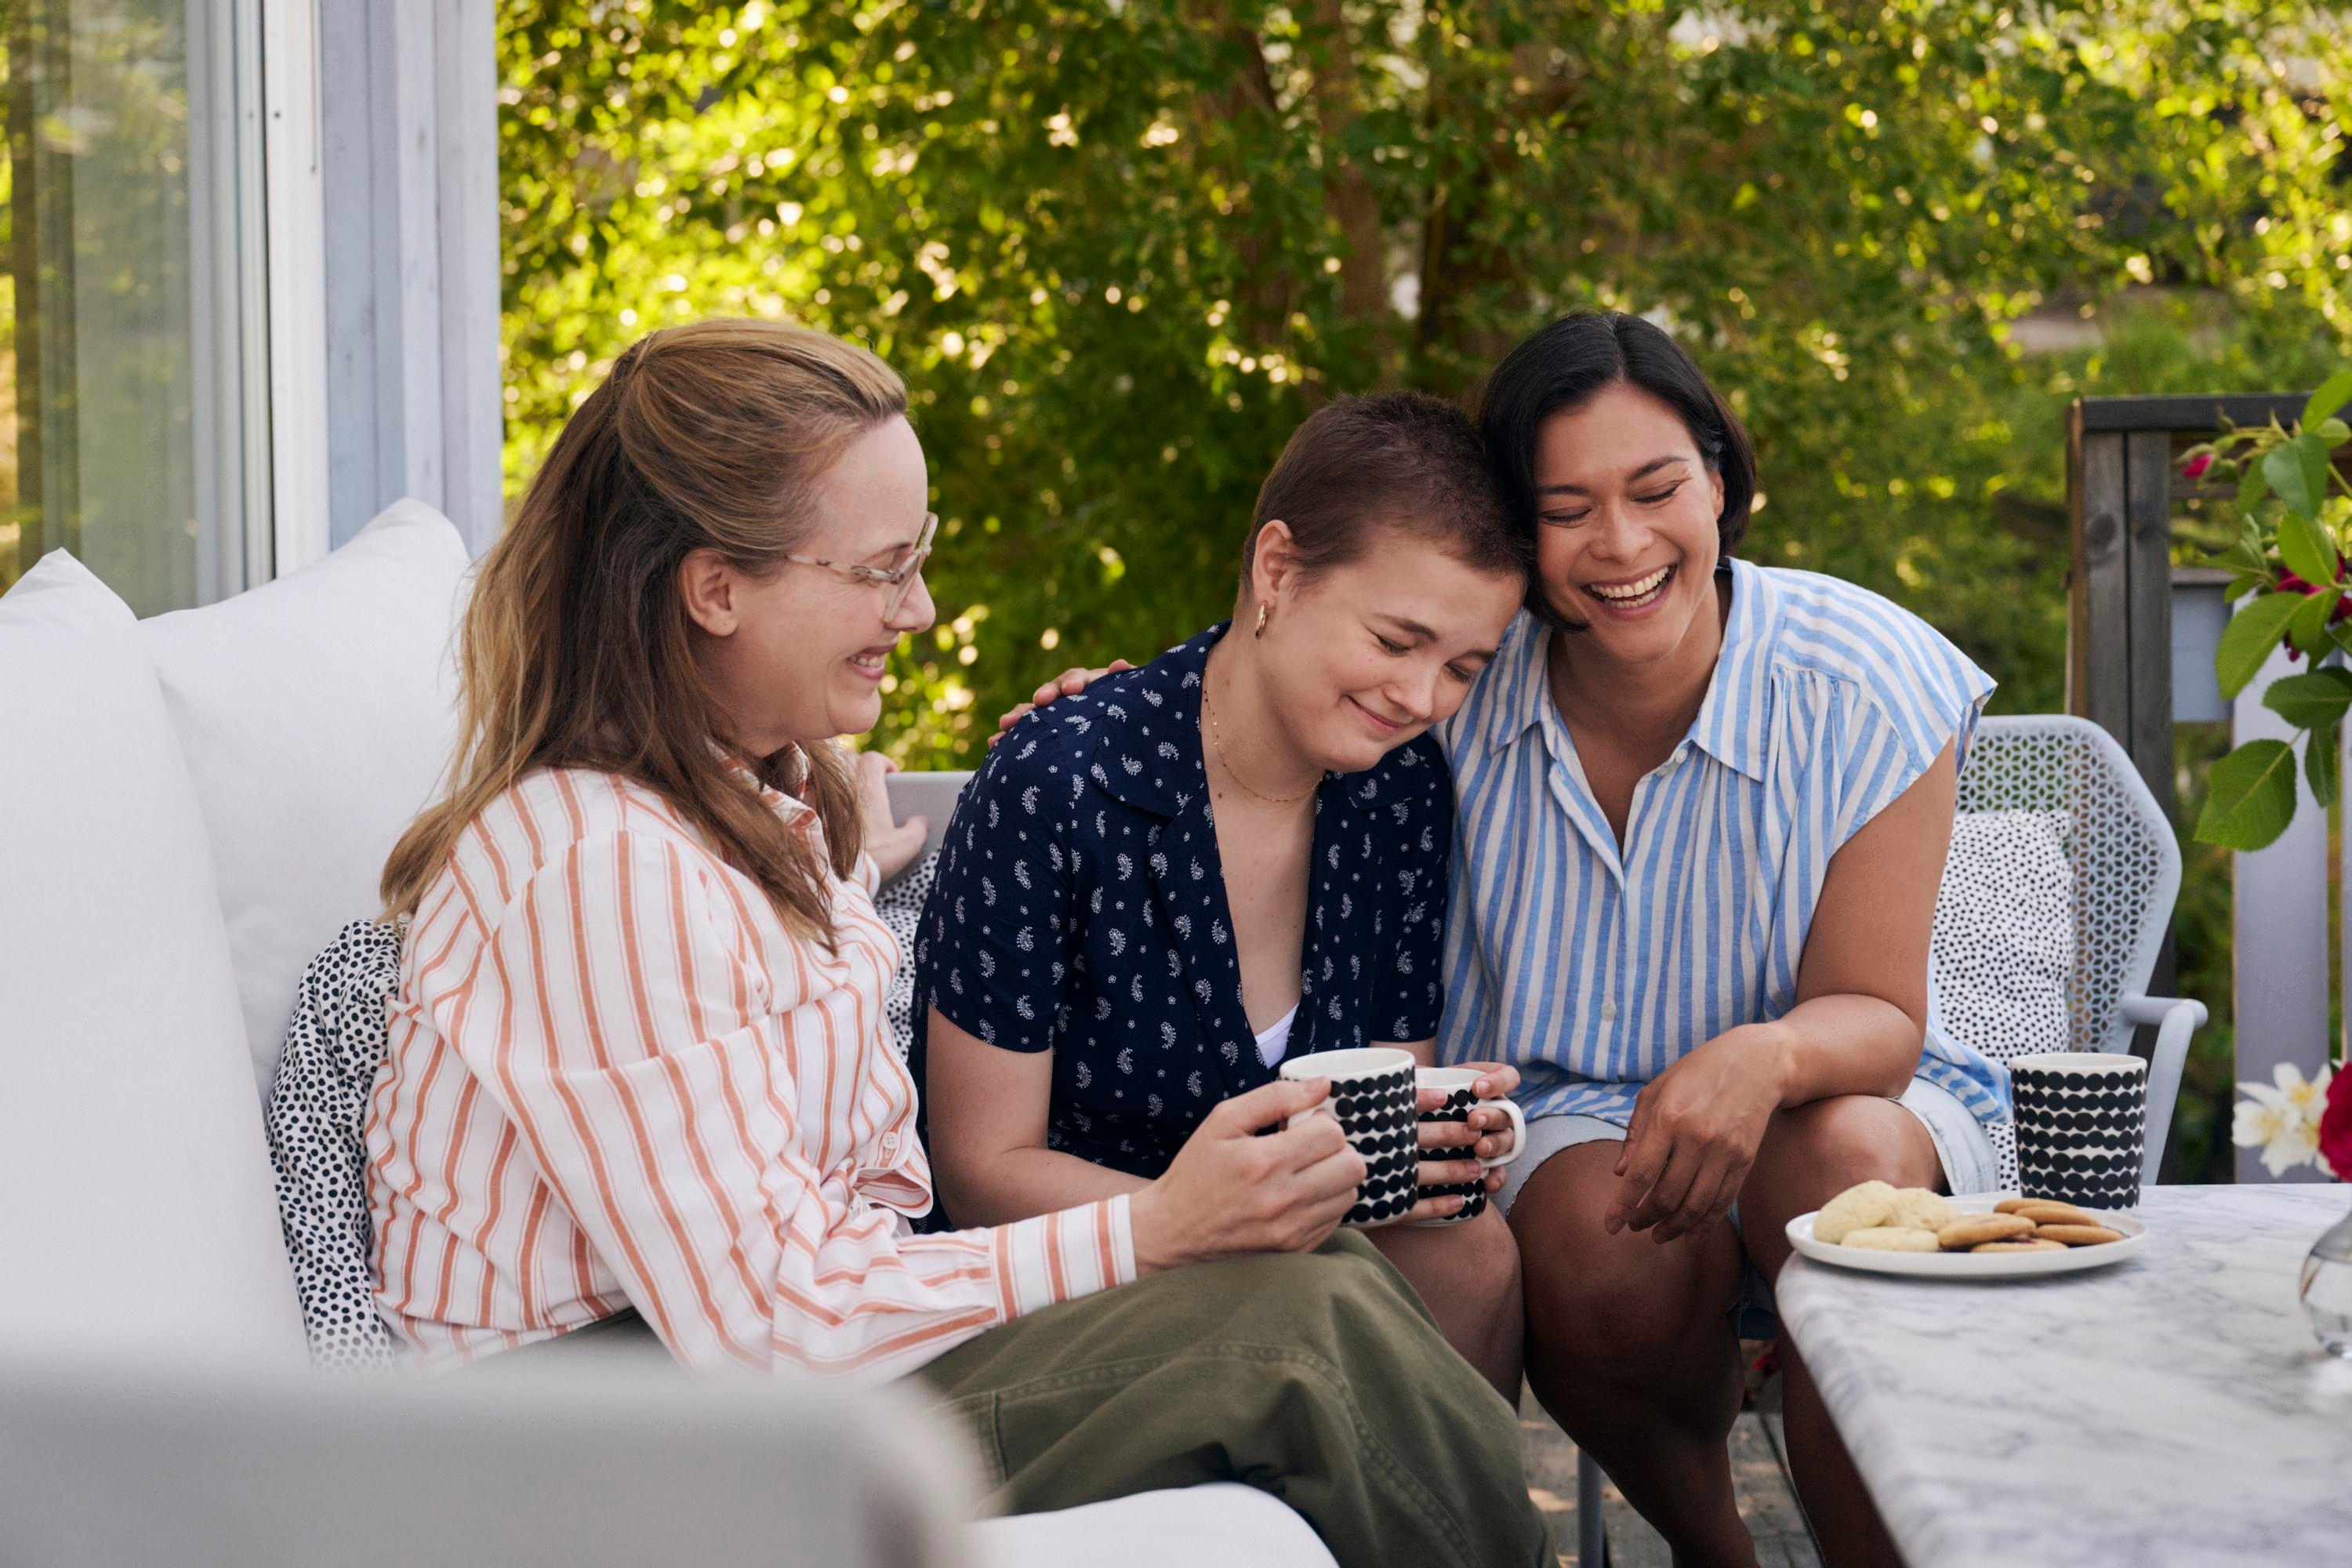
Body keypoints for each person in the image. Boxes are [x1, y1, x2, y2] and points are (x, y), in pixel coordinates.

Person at [363, 318, 1554, 1568]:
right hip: (622, 1453)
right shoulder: (594, 867)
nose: (920, 610)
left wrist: (847, 874)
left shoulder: (739, 809)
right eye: (883, 571)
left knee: (1341, 1284)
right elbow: (770, 1330)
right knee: (1293, 1337)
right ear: (715, 589)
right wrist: (1156, 1227)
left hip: (771, 1374)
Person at [1000, 312, 2007, 1568]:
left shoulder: (1866, 679)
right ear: (1519, 539)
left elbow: (1881, 1017)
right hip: (1570, 1110)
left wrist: (1762, 1057)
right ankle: (1717, 1548)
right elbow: (1288, 675)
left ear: (1720, 479)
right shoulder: (1458, 678)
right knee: (1597, 1243)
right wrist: (1109, 718)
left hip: (1834, 1083)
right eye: (1567, 509)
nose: (1622, 544)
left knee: (1844, 1161)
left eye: (1658, 489)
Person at [914, 394, 1532, 1398]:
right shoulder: (1062, 781)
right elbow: (981, 1171)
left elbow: (1384, 1093)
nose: (1421, 698)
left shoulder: (1401, 788)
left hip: (1308, 1249)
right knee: (1321, 1293)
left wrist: (1440, 1145)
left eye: (1462, 667)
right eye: (1394, 641)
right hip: (1076, 1264)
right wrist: (1223, 1218)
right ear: (1277, 570)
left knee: (1471, 1252)